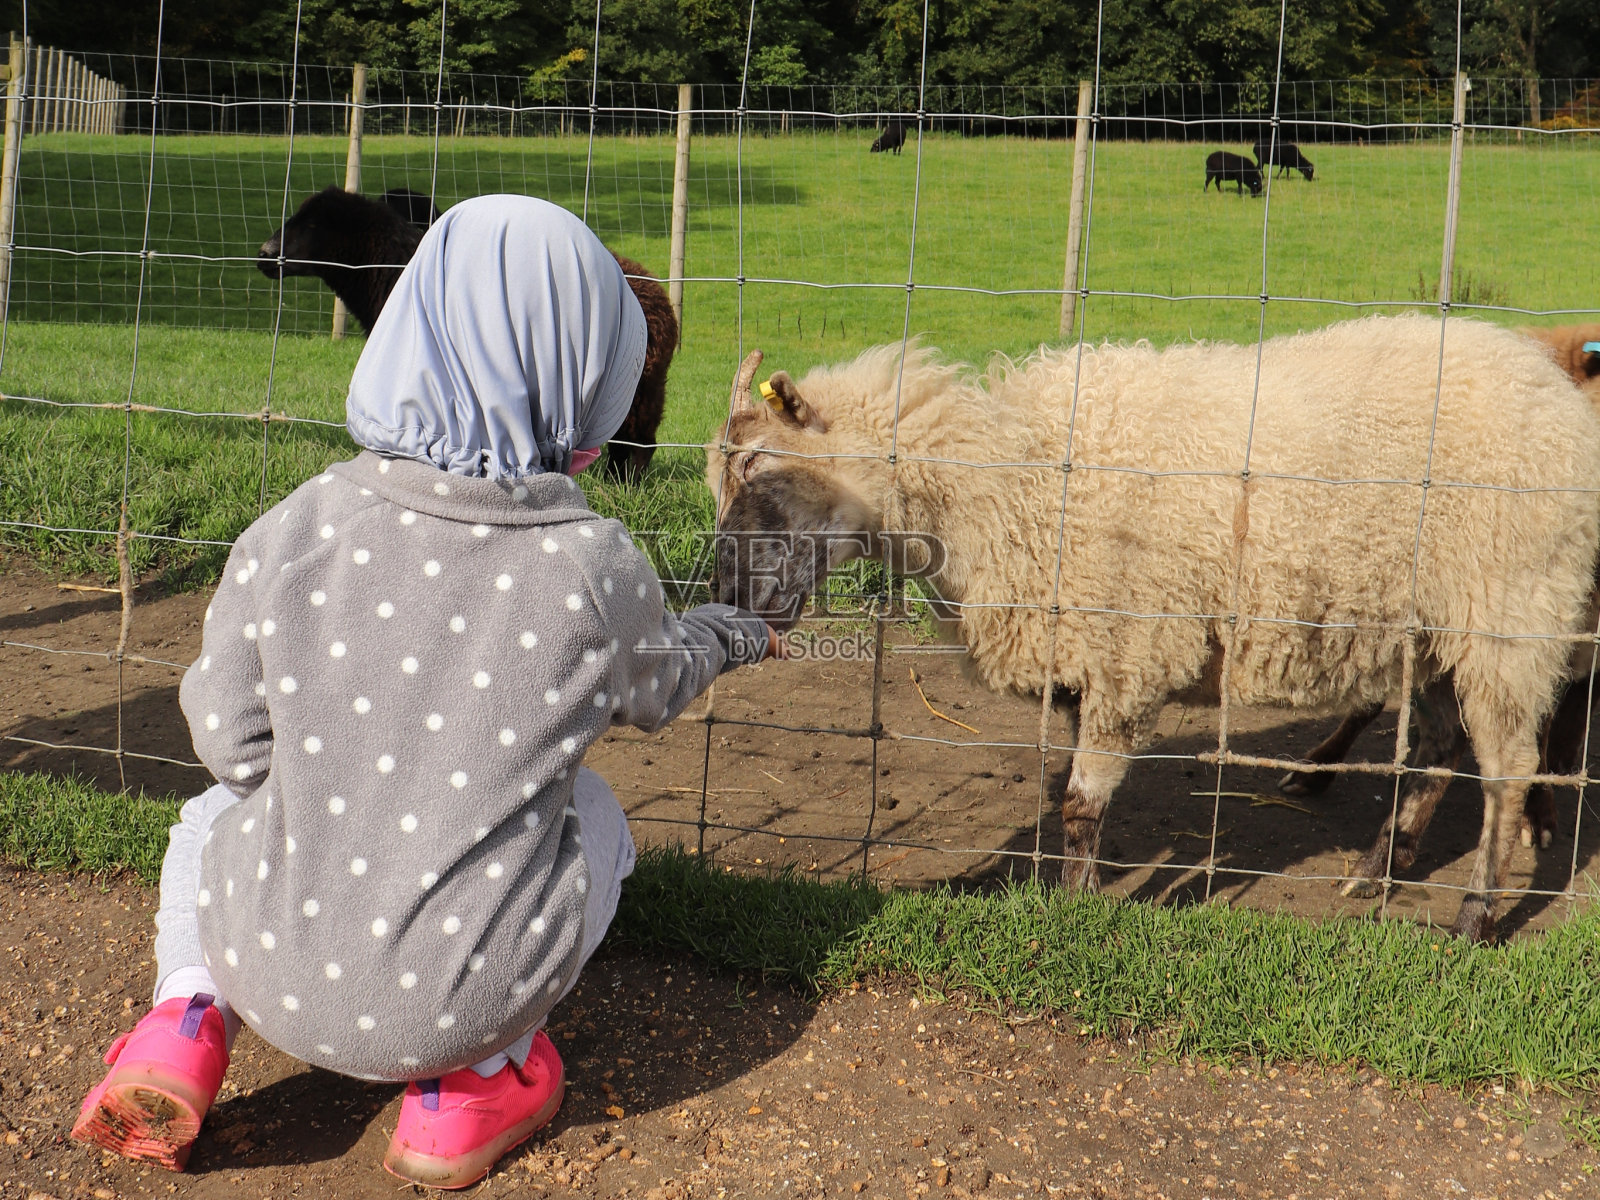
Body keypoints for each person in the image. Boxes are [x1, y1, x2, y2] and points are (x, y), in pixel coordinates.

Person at [71, 195, 777, 1188]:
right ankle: (470, 1090)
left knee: (207, 812)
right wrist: (740, 626)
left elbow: (230, 743)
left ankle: (183, 1020)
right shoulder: (591, 561)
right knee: (593, 808)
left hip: (265, 968)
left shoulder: (295, 524)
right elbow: (656, 689)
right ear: (592, 377)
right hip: (461, 1002)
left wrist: (332, 797)